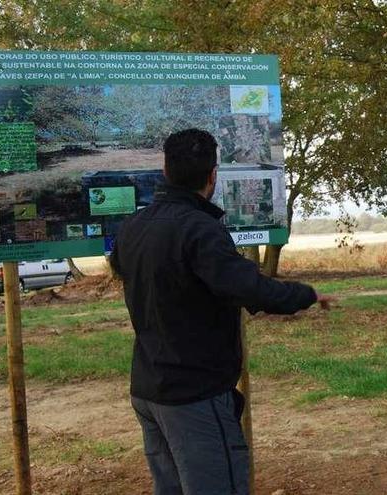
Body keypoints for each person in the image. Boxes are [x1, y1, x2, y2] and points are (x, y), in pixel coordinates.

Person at [109, 128, 333, 495]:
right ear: (213, 176)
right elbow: (248, 287)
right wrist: (306, 294)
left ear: (165, 172)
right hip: (193, 396)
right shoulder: (199, 229)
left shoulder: (133, 226)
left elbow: (125, 270)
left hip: (148, 390)